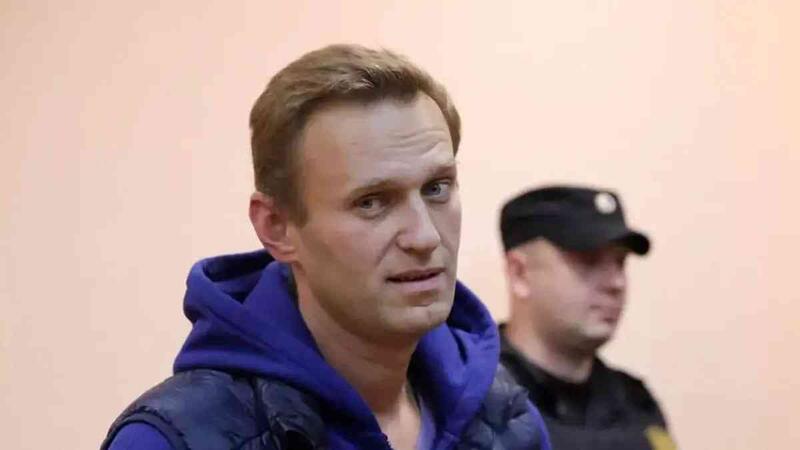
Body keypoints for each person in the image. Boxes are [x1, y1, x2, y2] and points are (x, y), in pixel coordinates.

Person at [101, 44, 551, 450]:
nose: (425, 236)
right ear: (277, 228)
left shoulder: (508, 425)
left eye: (436, 188)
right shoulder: (173, 439)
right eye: (372, 202)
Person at [498, 185, 677, 450]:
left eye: (620, 262)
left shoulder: (636, 402)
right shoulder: (472, 399)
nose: (616, 283)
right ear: (520, 273)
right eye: (589, 260)